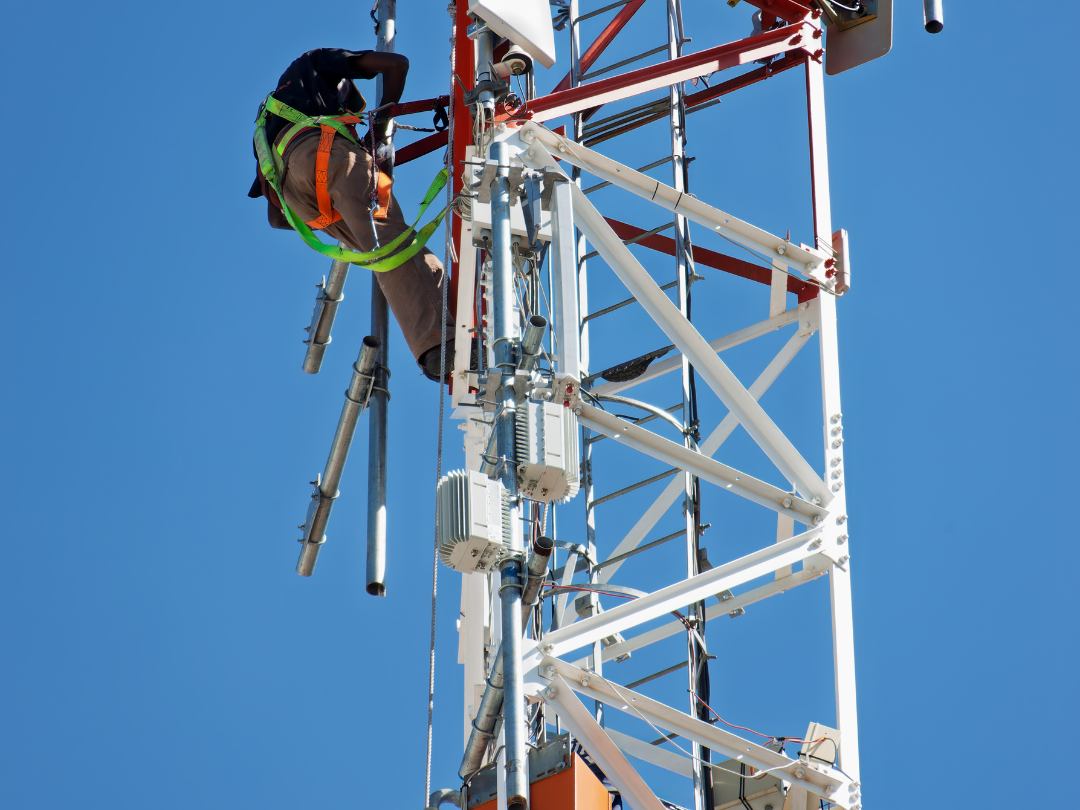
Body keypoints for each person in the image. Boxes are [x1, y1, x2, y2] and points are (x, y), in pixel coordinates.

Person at [249, 48, 453, 381]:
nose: (348, 111)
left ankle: (445, 331)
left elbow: (276, 219)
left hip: (300, 200)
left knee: (393, 251)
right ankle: (439, 347)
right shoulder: (312, 66)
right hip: (324, 153)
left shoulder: (266, 128)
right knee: (391, 244)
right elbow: (396, 64)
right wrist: (383, 123)